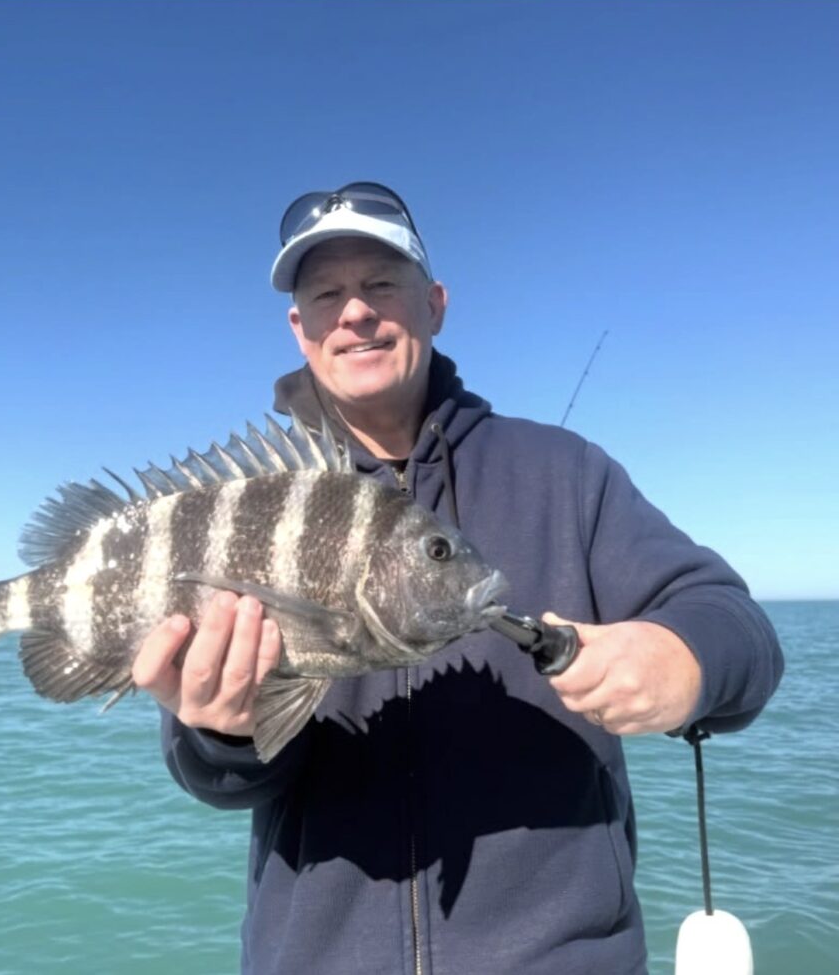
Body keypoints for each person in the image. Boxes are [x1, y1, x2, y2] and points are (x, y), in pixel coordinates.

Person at [131, 182, 784, 974]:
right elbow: (219, 781)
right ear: (299, 332)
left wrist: (682, 660)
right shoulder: (252, 505)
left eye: (381, 285)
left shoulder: (564, 476)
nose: (356, 313)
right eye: (327, 294)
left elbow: (738, 629)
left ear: (434, 304)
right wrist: (221, 730)